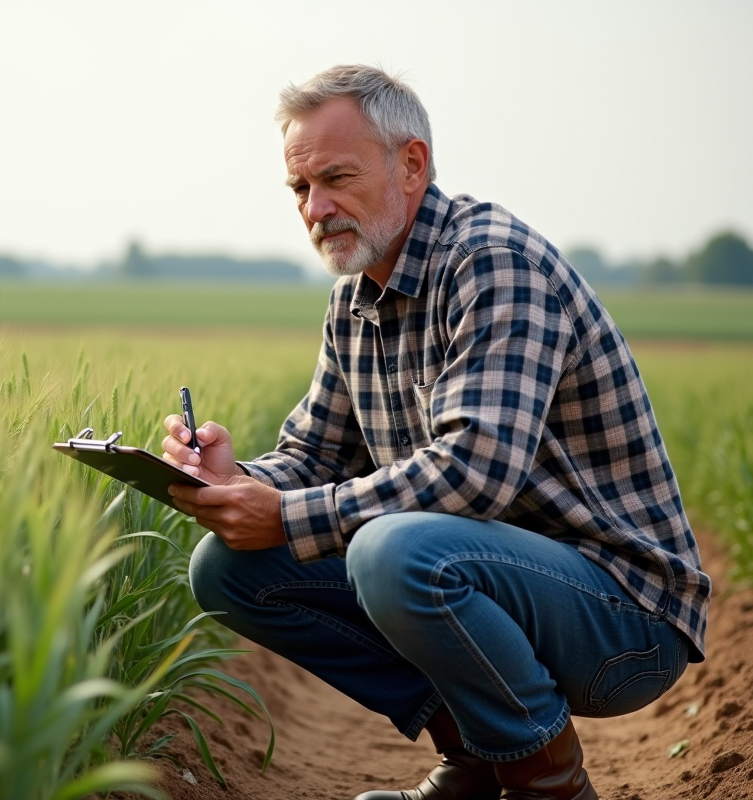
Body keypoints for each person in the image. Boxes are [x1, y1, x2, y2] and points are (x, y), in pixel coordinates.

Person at [160, 65, 709, 800]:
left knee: (396, 549)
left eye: (336, 178)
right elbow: (316, 454)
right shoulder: (354, 300)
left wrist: (286, 514)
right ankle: (477, 765)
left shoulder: (493, 263)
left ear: (411, 163)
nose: (316, 208)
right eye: (300, 189)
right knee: (227, 568)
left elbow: (473, 473)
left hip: (623, 619)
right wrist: (239, 484)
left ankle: (551, 788)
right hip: (495, 581)